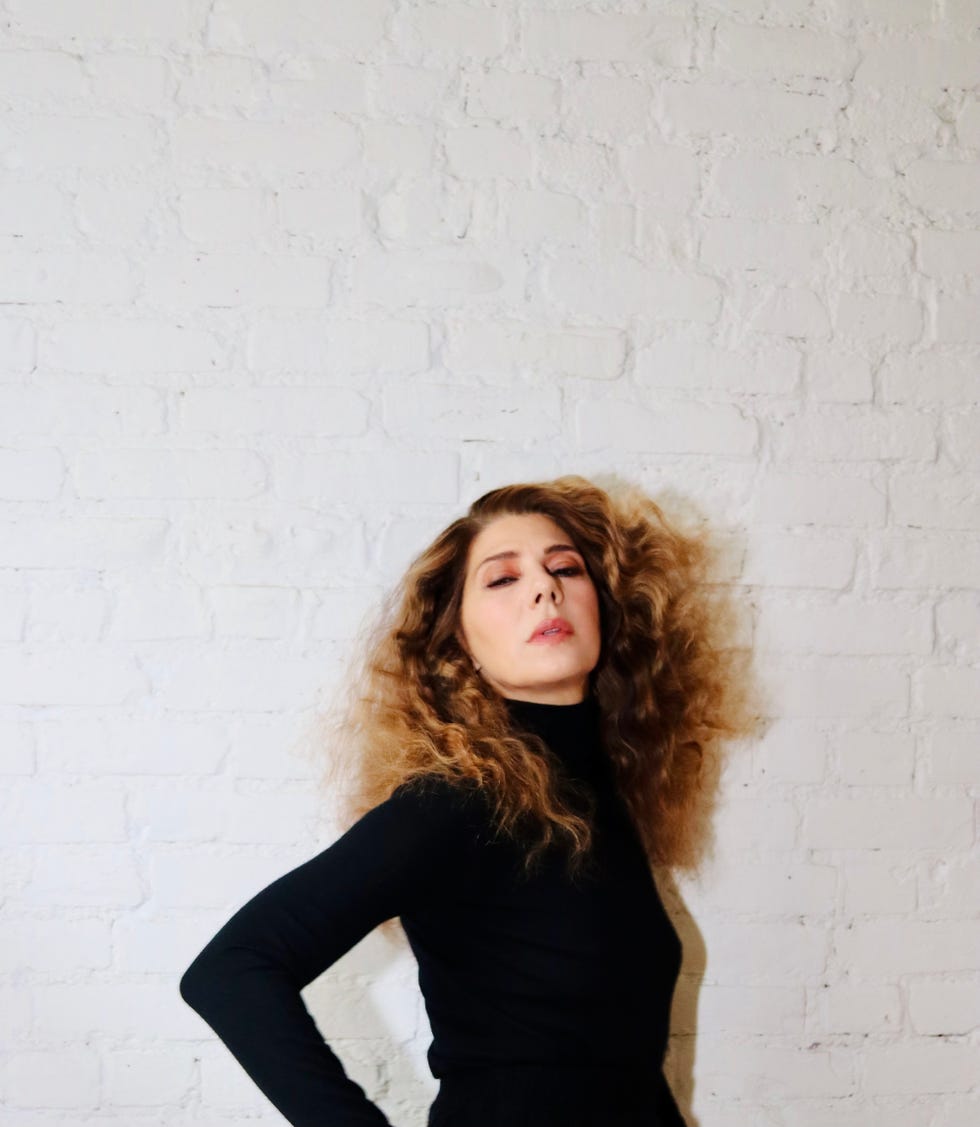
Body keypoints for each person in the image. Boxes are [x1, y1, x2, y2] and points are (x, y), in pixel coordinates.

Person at [179, 474, 754, 1126]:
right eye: (503, 579)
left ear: (608, 608)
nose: (545, 587)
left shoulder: (598, 795)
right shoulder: (460, 802)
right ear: (461, 642)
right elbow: (232, 969)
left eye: (566, 567)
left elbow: (611, 1064)